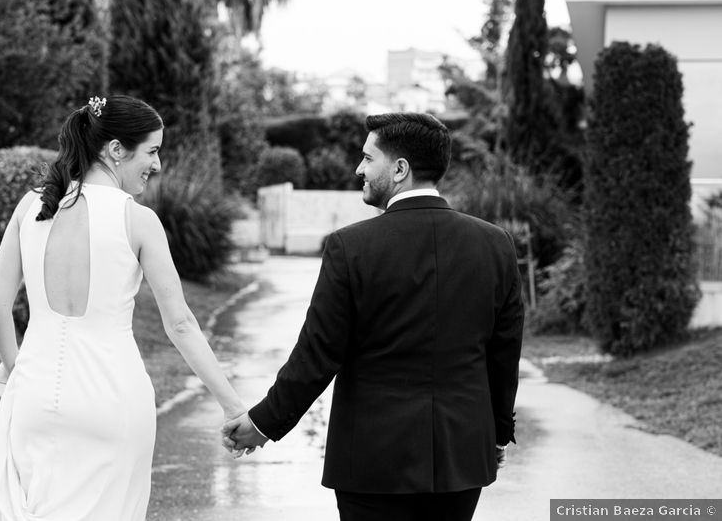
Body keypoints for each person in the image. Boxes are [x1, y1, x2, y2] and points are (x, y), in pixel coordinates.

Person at [223, 113, 524, 521]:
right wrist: (497, 433)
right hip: (461, 458)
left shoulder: (351, 247)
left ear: (400, 169)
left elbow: (318, 354)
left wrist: (262, 423)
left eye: (368, 158)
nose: (358, 169)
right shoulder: (495, 244)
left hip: (372, 462)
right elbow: (503, 355)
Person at [0, 95, 246, 521]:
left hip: (33, 397)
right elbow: (180, 324)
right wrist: (234, 407)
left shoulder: (31, 205)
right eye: (152, 151)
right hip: (112, 399)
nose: (157, 165)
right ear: (116, 150)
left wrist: (17, 374)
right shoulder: (138, 220)